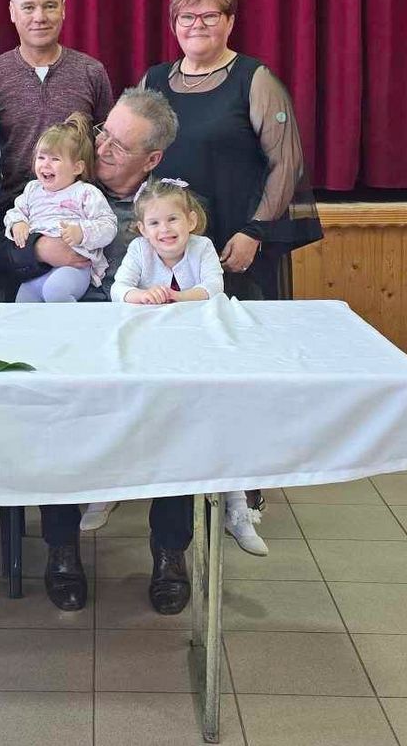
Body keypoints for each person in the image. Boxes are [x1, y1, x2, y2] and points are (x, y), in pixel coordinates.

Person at [0, 88, 196, 614]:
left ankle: (170, 555)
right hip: (66, 333)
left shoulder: (173, 203)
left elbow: (195, 271)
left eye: (119, 146)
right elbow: (1, 252)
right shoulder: (59, 182)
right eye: (105, 133)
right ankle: (61, 549)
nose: (102, 147)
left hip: (147, 341)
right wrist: (42, 250)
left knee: (177, 426)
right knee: (55, 429)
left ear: (151, 159)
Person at [143, 0, 321, 553]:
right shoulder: (153, 81)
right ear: (174, 24)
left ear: (229, 21)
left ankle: (240, 492)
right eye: (186, 17)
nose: (197, 25)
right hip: (167, 255)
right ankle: (168, 482)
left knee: (236, 375)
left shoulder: (255, 79)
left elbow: (285, 162)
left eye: (209, 16)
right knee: (170, 372)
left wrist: (254, 232)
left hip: (235, 249)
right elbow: (134, 154)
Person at [110, 178, 267, 554]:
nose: (164, 230)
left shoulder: (202, 248)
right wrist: (140, 295)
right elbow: (118, 288)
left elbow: (214, 288)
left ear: (191, 220)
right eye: (154, 223)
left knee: (219, 419)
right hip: (151, 352)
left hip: (201, 350)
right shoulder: (139, 250)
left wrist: (176, 298)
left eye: (173, 219)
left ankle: (237, 507)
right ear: (142, 228)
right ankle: (107, 492)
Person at [0, 0, 113, 255]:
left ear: (63, 9)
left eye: (49, 6)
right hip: (14, 221)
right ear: (12, 12)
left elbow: (105, 147)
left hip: (78, 221)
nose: (39, 17)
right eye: (29, 7)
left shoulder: (91, 72)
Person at [4, 113, 117, 303]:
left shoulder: (85, 192)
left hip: (74, 267)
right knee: (22, 300)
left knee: (56, 292)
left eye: (55, 159)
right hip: (39, 268)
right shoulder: (32, 189)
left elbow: (108, 225)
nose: (45, 164)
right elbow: (15, 212)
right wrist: (18, 222)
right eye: (41, 157)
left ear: (77, 168)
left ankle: (72, 321)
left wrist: (82, 232)